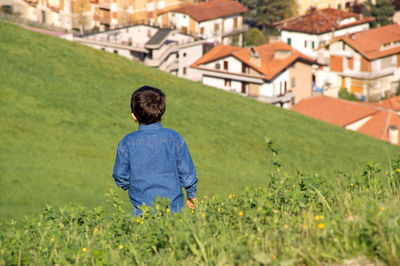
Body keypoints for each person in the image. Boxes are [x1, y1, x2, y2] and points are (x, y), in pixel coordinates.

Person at [112, 85, 198, 215]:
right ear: (162, 111)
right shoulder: (173, 137)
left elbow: (120, 175)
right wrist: (191, 194)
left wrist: (133, 186)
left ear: (134, 115)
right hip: (174, 209)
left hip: (142, 209)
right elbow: (187, 172)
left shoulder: (127, 142)